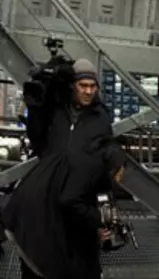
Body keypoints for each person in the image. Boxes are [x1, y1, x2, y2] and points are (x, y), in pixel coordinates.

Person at [2, 137, 128, 279]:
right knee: (51, 266)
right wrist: (98, 219)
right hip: (36, 223)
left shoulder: (78, 157)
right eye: (119, 171)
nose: (119, 178)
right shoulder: (90, 167)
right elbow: (70, 201)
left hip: (25, 216)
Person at [26, 58, 113, 158]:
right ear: (72, 86)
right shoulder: (56, 112)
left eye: (92, 86)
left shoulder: (101, 118)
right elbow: (36, 137)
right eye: (83, 86)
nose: (88, 91)